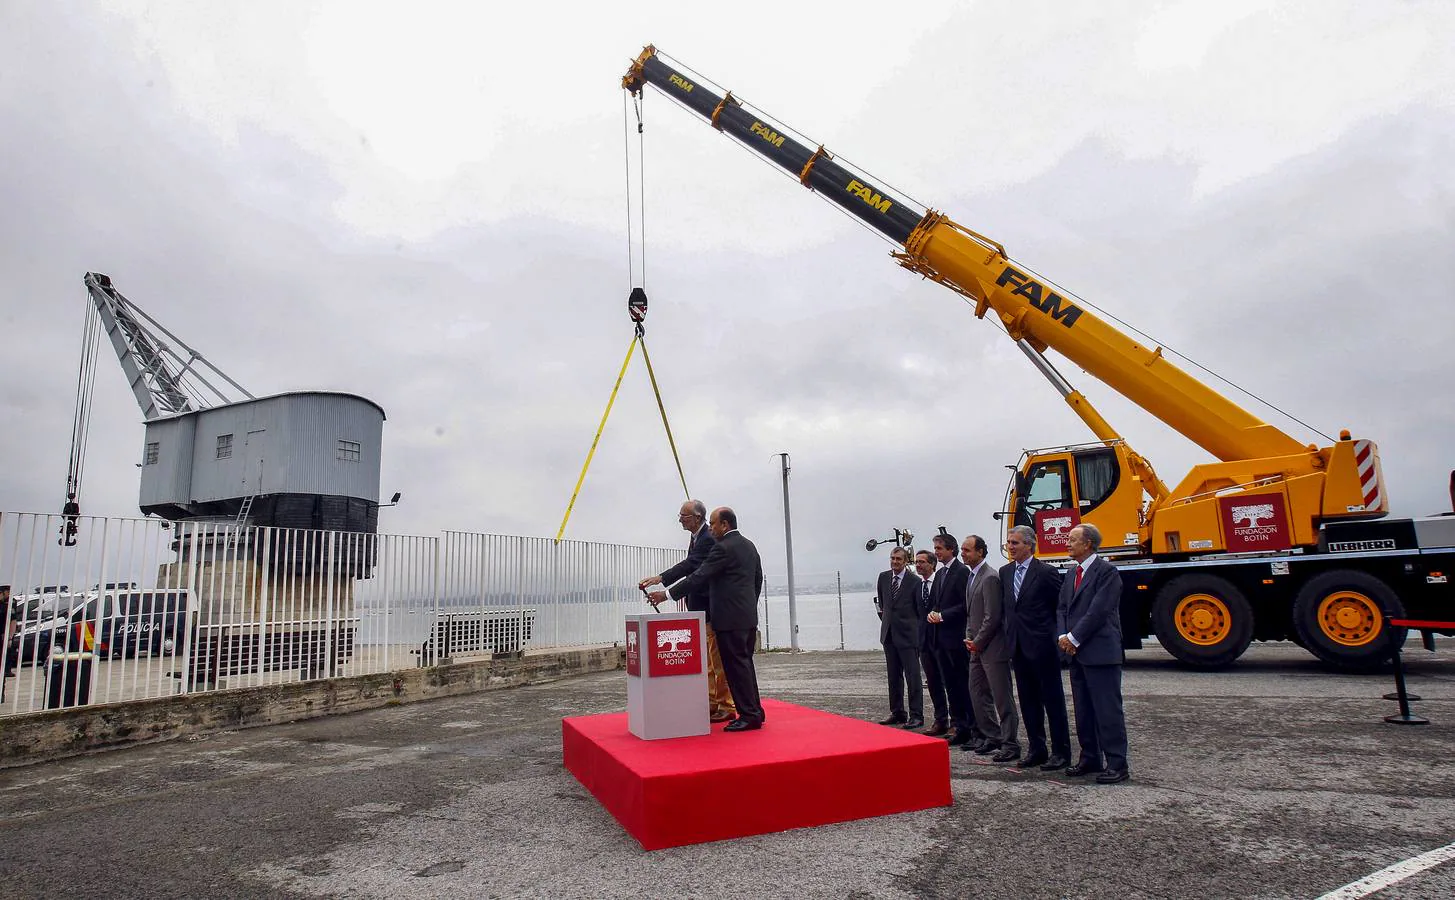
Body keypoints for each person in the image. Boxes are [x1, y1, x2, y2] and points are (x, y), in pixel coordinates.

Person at [648, 507, 765, 732]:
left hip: (728, 620)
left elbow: (699, 575)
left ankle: (748, 716)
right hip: (747, 617)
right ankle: (756, 711)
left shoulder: (722, 549)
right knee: (746, 666)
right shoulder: (749, 546)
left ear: (725, 525)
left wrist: (666, 594)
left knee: (734, 668)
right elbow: (757, 579)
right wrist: (748, 606)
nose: (710, 529)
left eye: (713, 524)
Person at [639, 499, 736, 723]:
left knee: (715, 660)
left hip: (710, 608)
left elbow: (692, 566)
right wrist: (662, 580)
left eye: (684, 516)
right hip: (700, 607)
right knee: (708, 661)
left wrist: (662, 581)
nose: (680, 520)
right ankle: (713, 702)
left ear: (697, 518)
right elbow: (690, 563)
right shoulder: (697, 538)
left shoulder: (707, 539)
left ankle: (725, 704)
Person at [1058, 523, 1131, 784]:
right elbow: (1062, 608)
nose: (1067, 543)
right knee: (1083, 709)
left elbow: (1099, 611)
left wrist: (1074, 638)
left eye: (1073, 539)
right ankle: (1089, 758)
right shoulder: (1070, 574)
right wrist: (1062, 636)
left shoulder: (1107, 573)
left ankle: (1117, 764)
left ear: (1088, 543)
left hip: (1100, 652)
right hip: (1076, 653)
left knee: (1107, 710)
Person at [1001, 524, 1072, 771]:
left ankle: (1061, 752)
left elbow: (1059, 609)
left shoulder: (1046, 573)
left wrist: (1057, 640)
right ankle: (1036, 749)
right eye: (1009, 543)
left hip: (1042, 647)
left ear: (1029, 545)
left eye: (1015, 543)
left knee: (1052, 702)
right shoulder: (1005, 572)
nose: (1010, 547)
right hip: (1018, 648)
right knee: (1029, 701)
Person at [961, 535, 1019, 762]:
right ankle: (992, 736)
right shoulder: (972, 576)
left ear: (981, 552)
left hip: (992, 648)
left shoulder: (990, 578)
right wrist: (969, 637)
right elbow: (971, 614)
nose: (963, 553)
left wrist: (979, 640)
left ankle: (1010, 743)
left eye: (967, 550)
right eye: (963, 550)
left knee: (1002, 698)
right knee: (977, 693)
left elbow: (992, 616)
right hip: (975, 647)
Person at [927, 533, 975, 747]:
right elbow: (935, 603)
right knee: (950, 685)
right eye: (935, 548)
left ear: (951, 550)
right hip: (940, 639)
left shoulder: (961, 572)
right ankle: (956, 724)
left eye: (939, 548)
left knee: (961, 684)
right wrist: (932, 614)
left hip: (956, 638)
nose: (936, 552)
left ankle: (968, 726)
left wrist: (943, 615)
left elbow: (966, 605)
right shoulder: (939, 575)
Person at [874, 546, 924, 729]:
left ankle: (916, 715)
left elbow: (919, 610)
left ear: (905, 561)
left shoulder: (914, 581)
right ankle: (897, 712)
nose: (895, 562)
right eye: (892, 558)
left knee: (913, 677)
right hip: (889, 634)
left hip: (908, 635)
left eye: (898, 559)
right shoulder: (883, 577)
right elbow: (882, 603)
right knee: (893, 676)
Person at [912, 550, 949, 735]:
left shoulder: (941, 583)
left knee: (950, 682)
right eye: (916, 562)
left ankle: (959, 721)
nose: (918, 565)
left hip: (942, 641)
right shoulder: (918, 586)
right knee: (933, 683)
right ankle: (940, 719)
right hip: (925, 643)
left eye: (922, 562)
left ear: (932, 564)